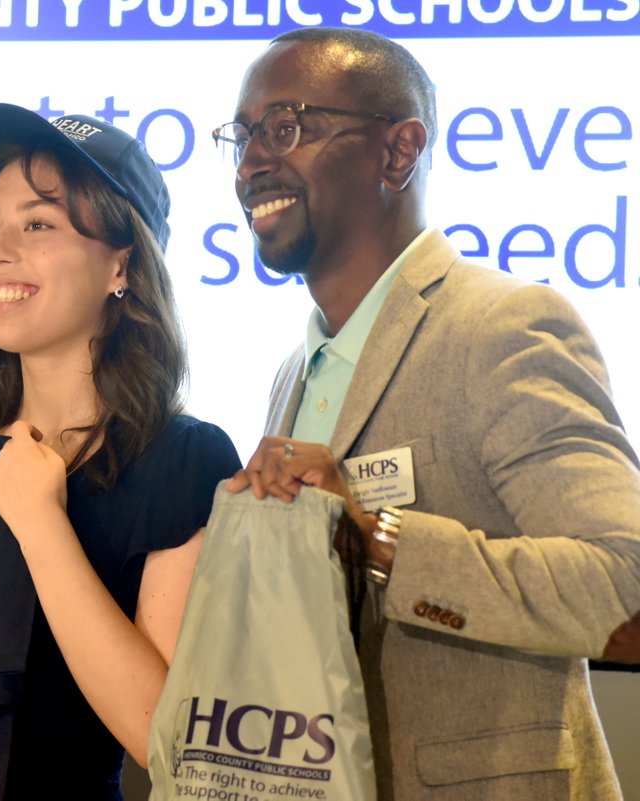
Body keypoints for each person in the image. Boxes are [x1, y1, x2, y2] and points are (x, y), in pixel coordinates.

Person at [221, 28, 640, 800]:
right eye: (241, 138)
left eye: (285, 128)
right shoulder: (292, 373)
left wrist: (379, 537)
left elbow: (625, 586)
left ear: (398, 151)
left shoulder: (504, 328)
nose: (250, 164)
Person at [0, 104, 241, 799]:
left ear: (121, 264)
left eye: (38, 223)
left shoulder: (184, 460)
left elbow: (165, 735)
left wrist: (42, 523)